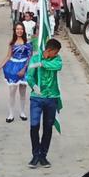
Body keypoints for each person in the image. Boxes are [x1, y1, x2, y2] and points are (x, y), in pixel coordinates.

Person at [27, 37, 63, 169]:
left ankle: (43, 155)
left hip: (52, 97)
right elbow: (29, 75)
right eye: (55, 52)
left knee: (48, 127)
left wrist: (43, 64)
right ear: (49, 50)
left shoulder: (56, 59)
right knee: (34, 126)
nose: (57, 54)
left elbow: (58, 66)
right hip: (36, 98)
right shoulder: (35, 58)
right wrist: (33, 86)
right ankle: (35, 154)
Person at [0, 23, 32, 122]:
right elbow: (8, 56)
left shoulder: (28, 43)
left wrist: (24, 69)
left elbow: (30, 57)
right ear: (15, 30)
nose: (19, 31)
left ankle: (22, 112)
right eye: (17, 29)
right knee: (12, 92)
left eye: (21, 29)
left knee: (23, 91)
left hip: (24, 67)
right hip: (13, 67)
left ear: (24, 30)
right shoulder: (12, 43)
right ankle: (11, 114)